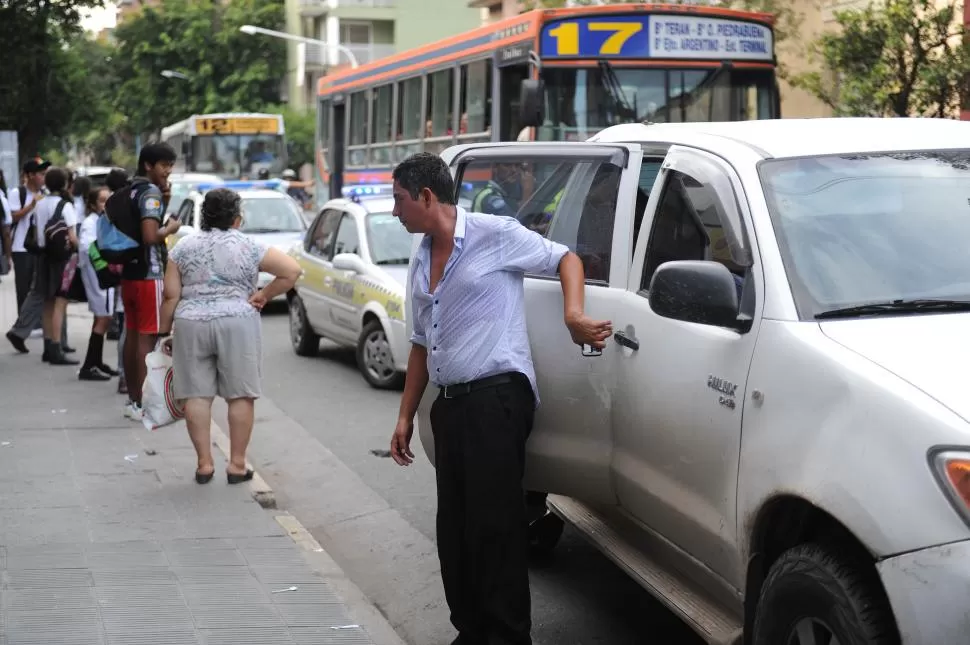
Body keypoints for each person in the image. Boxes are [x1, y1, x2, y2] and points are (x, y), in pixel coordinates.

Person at [388, 153, 612, 645]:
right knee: (456, 534)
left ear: (427, 196)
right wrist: (405, 414)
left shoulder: (495, 232)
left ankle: (508, 637)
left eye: (399, 199)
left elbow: (564, 258)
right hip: (451, 406)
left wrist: (573, 316)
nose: (394, 210)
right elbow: (422, 342)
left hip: (496, 398)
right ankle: (471, 631)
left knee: (496, 530)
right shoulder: (422, 256)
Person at [159, 188, 301, 484]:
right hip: (238, 321)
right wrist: (263, 295)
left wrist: (163, 332)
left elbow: (171, 295)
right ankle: (237, 465)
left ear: (202, 217)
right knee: (240, 395)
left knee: (196, 395)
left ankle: (204, 465)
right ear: (237, 218)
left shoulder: (182, 247)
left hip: (191, 323)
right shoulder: (250, 246)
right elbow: (291, 271)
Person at [120, 143, 180, 421]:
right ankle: (144, 402)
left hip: (130, 274)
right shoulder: (150, 193)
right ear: (148, 165)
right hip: (149, 274)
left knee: (132, 336)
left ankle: (134, 401)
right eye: (164, 165)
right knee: (146, 338)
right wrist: (171, 228)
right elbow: (150, 236)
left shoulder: (130, 189)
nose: (168, 170)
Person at [76, 184, 119, 381]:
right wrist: (104, 258)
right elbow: (86, 246)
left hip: (100, 273)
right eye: (102, 201)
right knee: (104, 318)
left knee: (102, 317)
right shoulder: (91, 223)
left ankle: (95, 361)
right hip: (97, 274)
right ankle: (89, 366)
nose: (106, 204)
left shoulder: (102, 220)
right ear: (93, 204)